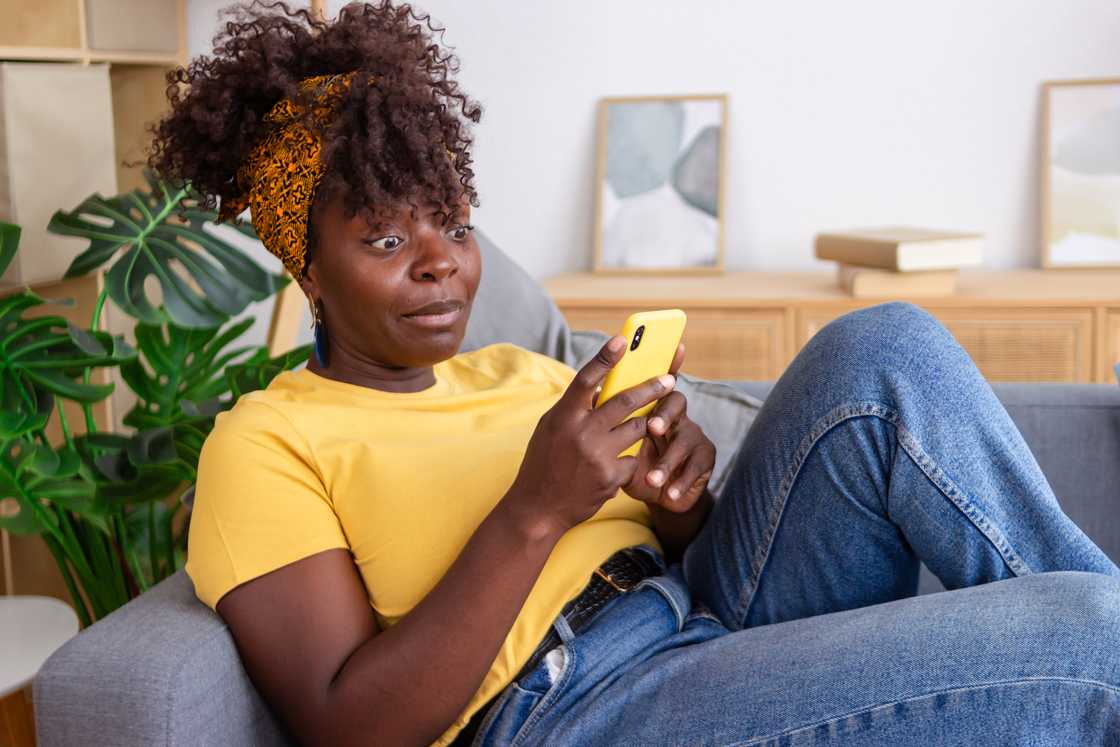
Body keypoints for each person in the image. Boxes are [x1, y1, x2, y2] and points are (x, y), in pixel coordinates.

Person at [153, 2, 1120, 745]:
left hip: (697, 614)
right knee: (1081, 636)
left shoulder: (519, 371)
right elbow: (345, 724)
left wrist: (677, 499)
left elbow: (677, 547)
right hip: (574, 708)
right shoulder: (266, 443)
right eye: (387, 238)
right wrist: (535, 509)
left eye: (452, 224)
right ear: (309, 265)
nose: (440, 260)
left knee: (886, 349)